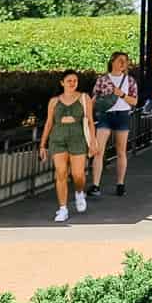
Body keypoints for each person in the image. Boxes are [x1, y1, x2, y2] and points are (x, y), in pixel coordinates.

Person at [38, 71, 93, 222]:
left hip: (78, 139)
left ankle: (79, 192)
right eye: (69, 80)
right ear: (62, 83)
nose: (72, 83)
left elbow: (89, 121)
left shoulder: (84, 98)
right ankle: (63, 208)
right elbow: (49, 123)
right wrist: (42, 144)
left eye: (75, 80)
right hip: (58, 139)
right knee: (61, 173)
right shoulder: (54, 101)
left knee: (78, 174)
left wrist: (93, 142)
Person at [89, 51, 138, 198]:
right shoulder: (102, 79)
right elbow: (94, 98)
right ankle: (96, 185)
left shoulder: (130, 81)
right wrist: (87, 115)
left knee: (121, 151)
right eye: (119, 60)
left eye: (125, 61)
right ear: (112, 62)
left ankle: (120, 183)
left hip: (122, 115)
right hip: (105, 115)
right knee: (99, 150)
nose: (122, 63)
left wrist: (122, 94)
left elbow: (135, 101)